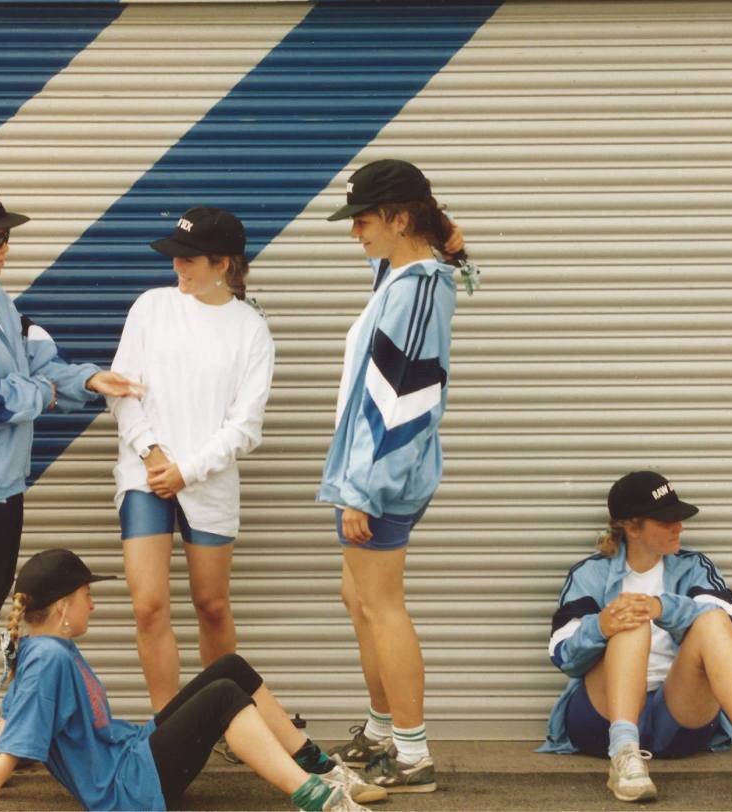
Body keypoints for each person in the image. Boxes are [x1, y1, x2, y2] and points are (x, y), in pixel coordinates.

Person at [0, 185, 138, 785]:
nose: (4, 246)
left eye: (6, 235)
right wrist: (44, 395)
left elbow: (41, 361)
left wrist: (90, 379)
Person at [0, 549, 385, 811]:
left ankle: (321, 768)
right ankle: (320, 800)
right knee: (224, 696)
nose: (93, 605)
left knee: (231, 669)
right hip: (127, 787)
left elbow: (11, 720)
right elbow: (15, 741)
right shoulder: (47, 660)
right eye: (87, 595)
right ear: (63, 605)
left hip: (133, 754)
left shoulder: (46, 649)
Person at [318, 160, 465, 794]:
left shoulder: (416, 289)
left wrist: (363, 489)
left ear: (400, 219)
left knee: (382, 606)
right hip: (363, 471)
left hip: (379, 476)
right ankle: (383, 732)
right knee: (360, 602)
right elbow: (454, 256)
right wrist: (455, 242)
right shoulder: (398, 275)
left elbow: (406, 398)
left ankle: (412, 753)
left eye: (363, 220)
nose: (355, 233)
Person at [539, 471, 732, 804]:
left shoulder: (693, 566)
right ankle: (624, 756)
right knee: (630, 620)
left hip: (675, 716)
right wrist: (602, 625)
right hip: (601, 721)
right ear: (632, 528)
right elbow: (563, 655)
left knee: (711, 620)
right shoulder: (590, 573)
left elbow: (725, 618)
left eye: (679, 518)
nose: (679, 527)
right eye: (666, 520)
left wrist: (660, 606)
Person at [109, 206, 275, 712]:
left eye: (189, 259)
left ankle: (226, 718)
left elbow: (245, 427)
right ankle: (170, 723)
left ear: (223, 264)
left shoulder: (251, 330)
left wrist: (187, 469)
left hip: (206, 481)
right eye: (175, 258)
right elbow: (122, 390)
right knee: (148, 606)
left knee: (212, 604)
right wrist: (153, 454)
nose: (177, 267)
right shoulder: (151, 307)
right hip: (145, 474)